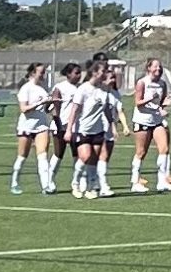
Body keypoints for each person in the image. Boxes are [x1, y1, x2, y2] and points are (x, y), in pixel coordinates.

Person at [62, 59, 111, 199]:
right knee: (85, 157)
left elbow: (106, 109)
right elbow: (74, 110)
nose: (105, 74)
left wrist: (112, 125)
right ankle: (75, 182)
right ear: (94, 72)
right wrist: (69, 130)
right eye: (103, 71)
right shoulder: (83, 89)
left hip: (98, 130)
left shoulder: (104, 89)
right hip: (83, 129)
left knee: (93, 160)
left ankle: (91, 187)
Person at [129, 58, 171, 193]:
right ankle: (135, 181)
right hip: (142, 120)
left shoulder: (162, 84)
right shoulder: (142, 83)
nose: (158, 69)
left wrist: (163, 107)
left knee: (164, 148)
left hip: (156, 120)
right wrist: (150, 98)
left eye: (160, 67)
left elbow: (161, 102)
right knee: (141, 152)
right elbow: (138, 103)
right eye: (155, 67)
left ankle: (162, 181)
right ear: (148, 68)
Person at [11, 63, 54, 195]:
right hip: (26, 126)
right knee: (22, 156)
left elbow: (45, 109)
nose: (43, 75)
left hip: (41, 125)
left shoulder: (43, 88)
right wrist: (39, 103)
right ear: (33, 73)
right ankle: (15, 182)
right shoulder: (26, 88)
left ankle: (46, 186)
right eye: (41, 72)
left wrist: (51, 103)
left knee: (43, 156)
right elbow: (24, 109)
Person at [48, 62, 83, 193]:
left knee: (77, 154)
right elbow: (54, 109)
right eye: (76, 73)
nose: (79, 76)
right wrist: (59, 125)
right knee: (59, 154)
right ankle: (49, 181)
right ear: (68, 74)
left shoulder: (81, 88)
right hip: (61, 125)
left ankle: (77, 182)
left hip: (76, 126)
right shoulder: (60, 87)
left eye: (80, 73)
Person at [99, 66, 131, 197]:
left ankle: (97, 183)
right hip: (97, 129)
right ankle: (102, 185)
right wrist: (112, 126)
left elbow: (120, 111)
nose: (113, 80)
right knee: (101, 156)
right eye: (111, 77)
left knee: (105, 158)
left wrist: (125, 126)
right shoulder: (98, 92)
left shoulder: (115, 94)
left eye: (114, 78)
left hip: (109, 130)